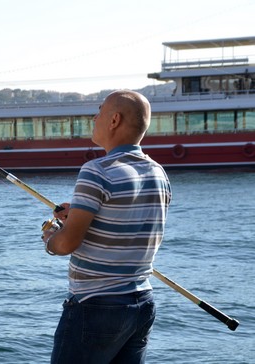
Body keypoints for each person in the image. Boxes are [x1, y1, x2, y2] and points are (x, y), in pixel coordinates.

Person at [42, 90, 172, 364]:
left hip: (96, 305)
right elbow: (127, 219)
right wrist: (79, 215)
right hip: (141, 302)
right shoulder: (159, 173)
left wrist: (51, 240)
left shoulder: (96, 170)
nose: (94, 117)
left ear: (114, 120)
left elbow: (67, 244)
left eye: (99, 111)